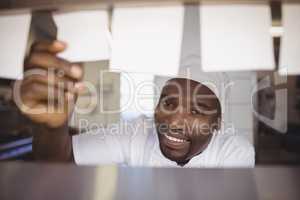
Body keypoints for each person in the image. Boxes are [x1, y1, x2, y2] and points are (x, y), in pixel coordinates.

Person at [14, 40, 254, 167]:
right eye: (169, 104)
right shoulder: (137, 132)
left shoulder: (234, 152)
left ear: (217, 124)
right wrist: (54, 126)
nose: (174, 122)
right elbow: (58, 160)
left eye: (196, 110)